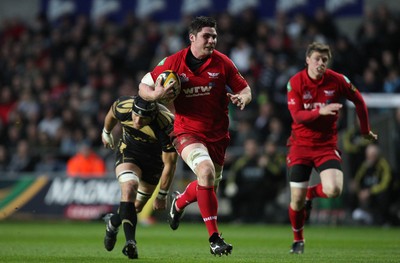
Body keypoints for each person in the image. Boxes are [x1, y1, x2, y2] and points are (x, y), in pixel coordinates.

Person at [138, 16, 252, 256]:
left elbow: (245, 88)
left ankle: (179, 203)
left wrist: (243, 98)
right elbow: (143, 86)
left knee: (209, 181)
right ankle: (214, 238)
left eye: (214, 36)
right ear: (192, 38)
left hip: (218, 135)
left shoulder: (223, 63)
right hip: (186, 131)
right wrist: (156, 94)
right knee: (206, 172)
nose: (212, 40)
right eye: (206, 36)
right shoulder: (173, 62)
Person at [286, 42, 377, 254]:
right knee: (296, 201)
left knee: (334, 189)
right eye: (317, 59)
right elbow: (297, 115)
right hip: (300, 146)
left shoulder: (338, 80)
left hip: (326, 145)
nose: (321, 64)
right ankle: (298, 240)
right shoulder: (295, 82)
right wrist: (321, 111)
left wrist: (365, 131)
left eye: (324, 60)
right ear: (308, 59)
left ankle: (311, 193)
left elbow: (360, 101)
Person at [101, 95, 178, 259]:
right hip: (129, 152)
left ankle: (113, 222)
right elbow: (112, 112)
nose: (137, 121)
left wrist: (162, 194)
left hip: (154, 163)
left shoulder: (167, 125)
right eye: (136, 115)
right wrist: (106, 131)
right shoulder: (124, 106)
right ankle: (131, 242)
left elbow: (170, 164)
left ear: (152, 116)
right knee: (129, 189)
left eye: (143, 118)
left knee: (135, 207)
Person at [351, 143, 392, 225]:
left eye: (373, 155)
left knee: (383, 196)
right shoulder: (365, 166)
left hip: (377, 192)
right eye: (369, 155)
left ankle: (382, 220)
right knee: (351, 193)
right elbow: (357, 180)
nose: (370, 157)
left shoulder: (383, 165)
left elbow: (385, 184)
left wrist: (370, 191)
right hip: (365, 192)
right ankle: (357, 214)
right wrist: (359, 191)